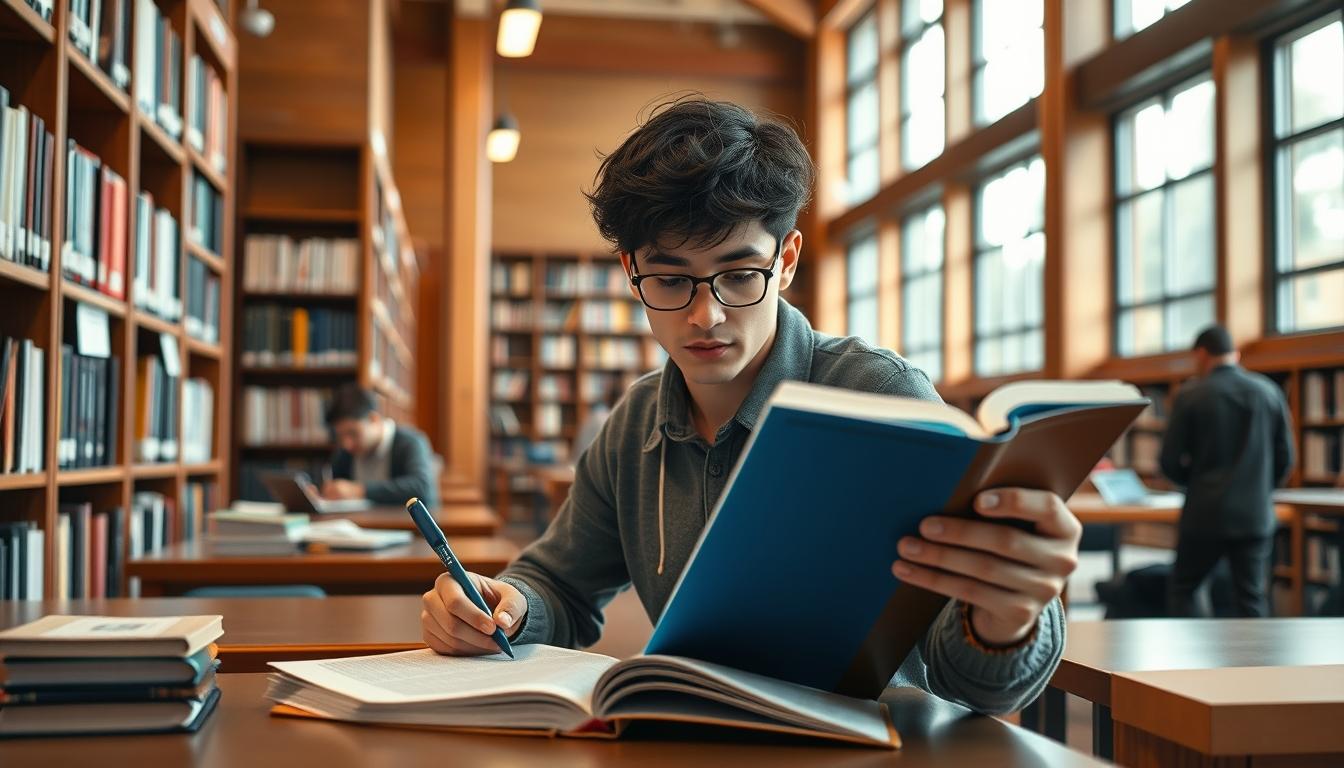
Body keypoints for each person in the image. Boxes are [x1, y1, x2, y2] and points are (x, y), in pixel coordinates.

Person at [421, 97, 1081, 715]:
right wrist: (505, 605)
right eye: (672, 279)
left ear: (786, 259)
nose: (707, 315)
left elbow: (972, 684)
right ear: (631, 273)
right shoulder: (635, 424)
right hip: (707, 735)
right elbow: (559, 584)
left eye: (739, 274)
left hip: (880, 745)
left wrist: (1008, 618)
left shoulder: (880, 398)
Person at [1160, 325, 1294, 617]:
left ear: (1201, 353)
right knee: (1252, 596)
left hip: (1204, 513)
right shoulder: (1269, 391)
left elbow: (1168, 461)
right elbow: (1286, 458)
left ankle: (1192, 658)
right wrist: (1260, 488)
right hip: (1255, 514)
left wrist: (1194, 483)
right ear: (1236, 354)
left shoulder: (1191, 395)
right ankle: (1256, 663)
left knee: (1186, 588)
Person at [321, 384, 439, 509]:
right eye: (340, 436)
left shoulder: (411, 442)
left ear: (374, 419)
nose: (346, 444)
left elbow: (420, 487)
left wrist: (359, 491)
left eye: (353, 433)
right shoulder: (346, 453)